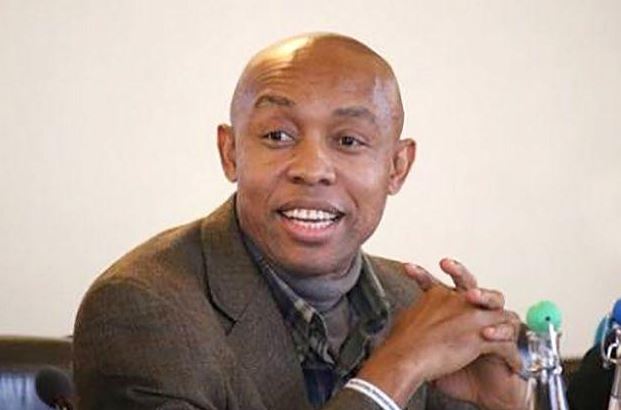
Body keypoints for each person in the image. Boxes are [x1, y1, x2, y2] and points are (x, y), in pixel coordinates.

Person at [73, 33, 527, 410]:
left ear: (397, 167)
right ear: (231, 153)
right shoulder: (141, 308)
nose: (312, 169)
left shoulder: (415, 307)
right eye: (277, 135)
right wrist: (396, 369)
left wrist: (509, 404)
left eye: (348, 141)